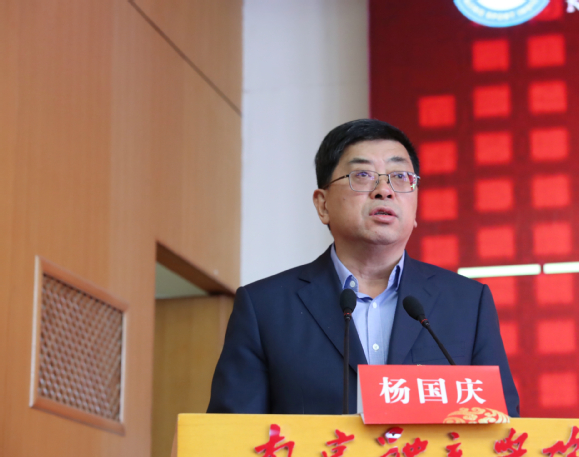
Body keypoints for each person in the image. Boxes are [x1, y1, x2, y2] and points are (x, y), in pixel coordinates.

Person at [207, 119, 520, 416]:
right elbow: (230, 436)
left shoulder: (467, 303)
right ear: (323, 205)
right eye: (362, 175)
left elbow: (503, 428)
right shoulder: (265, 307)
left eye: (400, 177)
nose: (384, 190)